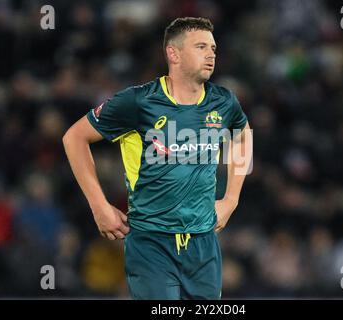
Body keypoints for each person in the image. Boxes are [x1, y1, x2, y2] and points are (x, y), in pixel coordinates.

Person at [62, 17, 252, 300]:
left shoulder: (224, 102)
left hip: (203, 243)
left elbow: (243, 134)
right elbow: (74, 138)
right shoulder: (138, 101)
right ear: (173, 54)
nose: (211, 54)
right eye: (201, 47)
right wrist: (99, 205)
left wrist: (232, 198)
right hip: (151, 241)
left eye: (213, 48)